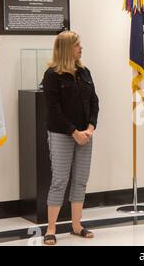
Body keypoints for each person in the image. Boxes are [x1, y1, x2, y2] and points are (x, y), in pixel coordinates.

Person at [42, 31, 99, 245]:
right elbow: (54, 109)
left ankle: (77, 225)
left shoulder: (84, 72)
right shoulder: (52, 75)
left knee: (80, 180)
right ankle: (51, 229)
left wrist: (90, 128)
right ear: (66, 49)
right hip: (62, 134)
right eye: (77, 45)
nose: (81, 48)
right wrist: (74, 132)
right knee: (60, 180)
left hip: (86, 134)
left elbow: (94, 101)